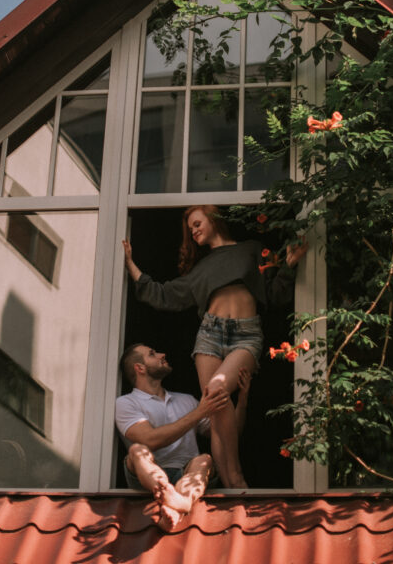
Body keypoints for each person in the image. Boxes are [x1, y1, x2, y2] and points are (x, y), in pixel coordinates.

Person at [122, 205, 306, 488]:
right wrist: (131, 265)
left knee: (218, 389)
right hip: (209, 334)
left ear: (213, 218)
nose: (193, 231)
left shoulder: (250, 249)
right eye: (190, 229)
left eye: (197, 223)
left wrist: (290, 266)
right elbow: (162, 295)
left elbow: (274, 293)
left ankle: (236, 476)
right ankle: (233, 483)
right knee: (215, 405)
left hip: (246, 334)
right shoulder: (200, 270)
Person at [115, 343, 250, 530]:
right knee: (138, 450)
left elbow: (227, 435)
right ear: (140, 368)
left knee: (204, 460)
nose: (162, 354)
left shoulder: (186, 400)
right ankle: (165, 490)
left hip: (186, 472)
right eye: (153, 353)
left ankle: (178, 504)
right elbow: (150, 440)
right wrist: (200, 412)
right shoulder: (126, 403)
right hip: (146, 476)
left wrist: (242, 402)